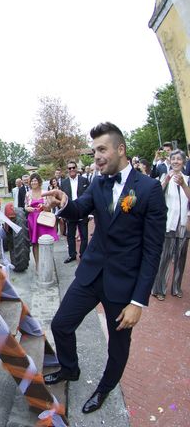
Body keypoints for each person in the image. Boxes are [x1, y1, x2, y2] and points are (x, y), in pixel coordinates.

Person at [42, 122, 166, 414]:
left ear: (120, 149)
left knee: (118, 345)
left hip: (123, 284)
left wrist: (138, 302)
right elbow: (80, 209)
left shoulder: (148, 189)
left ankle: (105, 388)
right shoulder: (98, 182)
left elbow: (152, 251)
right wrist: (63, 203)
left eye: (101, 149)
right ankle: (70, 369)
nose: (95, 156)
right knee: (61, 324)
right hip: (91, 274)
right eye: (93, 150)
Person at [152, 149, 190, 300]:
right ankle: (159, 289)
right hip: (168, 223)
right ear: (169, 161)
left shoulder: (188, 178)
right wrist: (167, 179)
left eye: (179, 159)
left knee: (181, 258)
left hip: (183, 225)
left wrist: (183, 185)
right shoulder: (164, 176)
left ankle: (176, 287)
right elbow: (157, 194)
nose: (175, 161)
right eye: (173, 159)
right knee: (165, 257)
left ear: (183, 162)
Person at [24, 173, 58, 267]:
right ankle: (38, 265)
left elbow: (49, 208)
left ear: (39, 182)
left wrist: (43, 206)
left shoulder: (45, 192)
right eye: (32, 181)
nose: (33, 182)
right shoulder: (28, 194)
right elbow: (25, 206)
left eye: (35, 180)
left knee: (46, 242)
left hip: (44, 220)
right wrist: (27, 209)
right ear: (30, 183)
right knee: (35, 243)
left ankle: (48, 263)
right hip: (33, 220)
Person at [60, 160, 90, 263]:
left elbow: (89, 196)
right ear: (67, 170)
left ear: (76, 168)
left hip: (82, 211)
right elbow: (62, 199)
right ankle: (72, 255)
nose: (72, 169)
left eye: (73, 167)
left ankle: (83, 254)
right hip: (70, 212)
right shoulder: (63, 183)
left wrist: (89, 212)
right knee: (70, 236)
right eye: (70, 168)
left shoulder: (84, 180)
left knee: (84, 236)